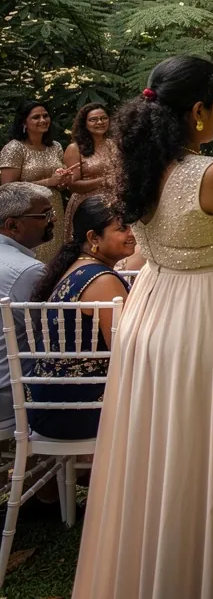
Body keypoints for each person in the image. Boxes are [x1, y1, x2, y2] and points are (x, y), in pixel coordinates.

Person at [72, 55, 213, 599]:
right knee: (210, 448)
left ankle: (154, 563)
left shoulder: (141, 165)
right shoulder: (208, 176)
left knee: (164, 448)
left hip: (155, 310)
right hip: (209, 318)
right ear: (198, 111)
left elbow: (203, 212)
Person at [28, 197, 132, 440]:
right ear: (93, 238)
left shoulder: (76, 267)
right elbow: (125, 353)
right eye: (121, 228)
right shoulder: (103, 281)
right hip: (76, 410)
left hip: (50, 403)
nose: (131, 233)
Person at [0, 183, 50, 433]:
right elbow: (51, 333)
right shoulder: (27, 271)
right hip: (9, 398)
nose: (51, 221)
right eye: (44, 215)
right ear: (13, 225)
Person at [1, 100, 70, 260]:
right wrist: (49, 182)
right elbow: (8, 188)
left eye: (45, 116)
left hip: (54, 209)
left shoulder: (55, 146)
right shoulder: (15, 148)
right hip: (29, 213)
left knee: (54, 257)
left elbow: (57, 184)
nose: (43, 120)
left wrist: (62, 180)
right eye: (36, 117)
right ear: (24, 122)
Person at [62, 103, 115, 241]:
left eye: (104, 118)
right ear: (84, 124)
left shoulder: (113, 144)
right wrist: (103, 181)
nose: (100, 122)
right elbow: (72, 185)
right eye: (93, 119)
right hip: (85, 206)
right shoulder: (74, 148)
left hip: (112, 202)